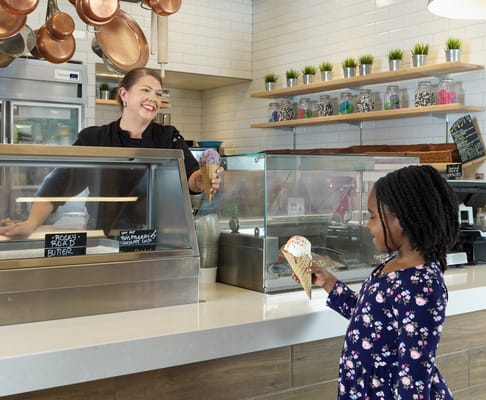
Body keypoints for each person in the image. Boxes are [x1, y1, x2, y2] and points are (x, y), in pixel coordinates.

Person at [293, 165, 458, 399]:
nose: (367, 224)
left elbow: (414, 376)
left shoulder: (422, 286)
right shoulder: (393, 264)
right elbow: (372, 320)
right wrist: (329, 283)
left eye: (372, 216)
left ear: (402, 220)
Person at [0, 67, 223, 238]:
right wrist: (30, 224)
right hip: (104, 239)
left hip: (157, 239)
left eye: (158, 94)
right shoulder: (95, 138)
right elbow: (57, 185)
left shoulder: (167, 137)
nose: (154, 99)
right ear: (124, 94)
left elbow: (191, 177)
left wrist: (203, 181)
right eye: (145, 90)